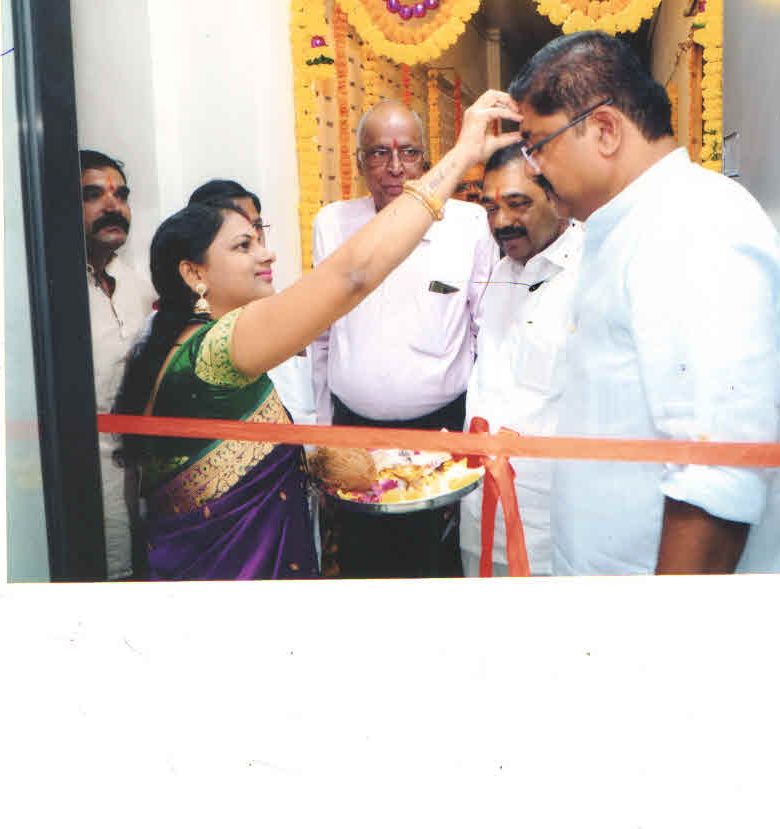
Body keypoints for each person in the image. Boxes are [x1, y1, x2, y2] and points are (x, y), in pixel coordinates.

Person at [115, 93, 513, 580]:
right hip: (234, 577)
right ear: (194, 274)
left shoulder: (177, 341)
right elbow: (353, 277)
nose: (267, 255)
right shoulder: (221, 348)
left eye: (260, 238)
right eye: (243, 246)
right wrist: (463, 154)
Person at [500, 31, 780, 576]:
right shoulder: (631, 223)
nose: (531, 168)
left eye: (536, 146)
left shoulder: (693, 226)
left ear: (604, 130)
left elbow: (716, 482)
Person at [309, 100, 497, 577]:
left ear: (426, 159)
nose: (395, 167)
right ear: (359, 162)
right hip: (355, 437)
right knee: (364, 570)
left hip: (442, 435)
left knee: (439, 571)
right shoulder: (333, 224)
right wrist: (324, 436)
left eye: (408, 152)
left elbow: (486, 336)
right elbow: (321, 338)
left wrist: (474, 440)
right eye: (379, 153)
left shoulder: (468, 225)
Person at [459, 145, 583, 577]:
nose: (501, 222)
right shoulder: (501, 272)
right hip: (479, 512)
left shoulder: (590, 274)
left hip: (551, 530)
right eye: (491, 208)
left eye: (518, 204)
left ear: (557, 197)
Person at [80, 149, 155, 579]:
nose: (113, 207)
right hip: (84, 468)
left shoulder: (135, 284)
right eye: (93, 195)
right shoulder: (52, 287)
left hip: (142, 464)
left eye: (121, 195)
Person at [188, 178, 313, 423]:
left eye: (258, 230)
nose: (266, 254)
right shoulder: (187, 338)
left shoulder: (288, 311)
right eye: (243, 243)